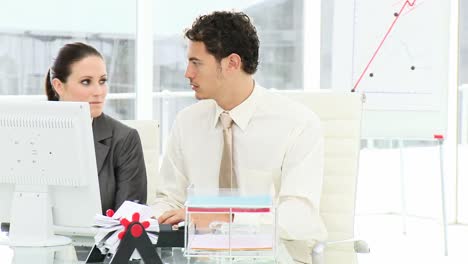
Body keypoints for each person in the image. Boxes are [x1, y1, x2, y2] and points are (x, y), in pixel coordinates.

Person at [152, 11, 327, 263]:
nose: (187, 73)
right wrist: (148, 219)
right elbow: (169, 198)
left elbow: (299, 215)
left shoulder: (298, 123)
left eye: (196, 63)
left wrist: (227, 219)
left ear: (232, 63)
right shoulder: (187, 122)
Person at [45, 42, 147, 213]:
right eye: (86, 82)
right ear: (59, 86)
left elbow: (127, 222)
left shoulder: (124, 139)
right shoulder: (36, 134)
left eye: (102, 81)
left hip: (100, 240)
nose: (99, 91)